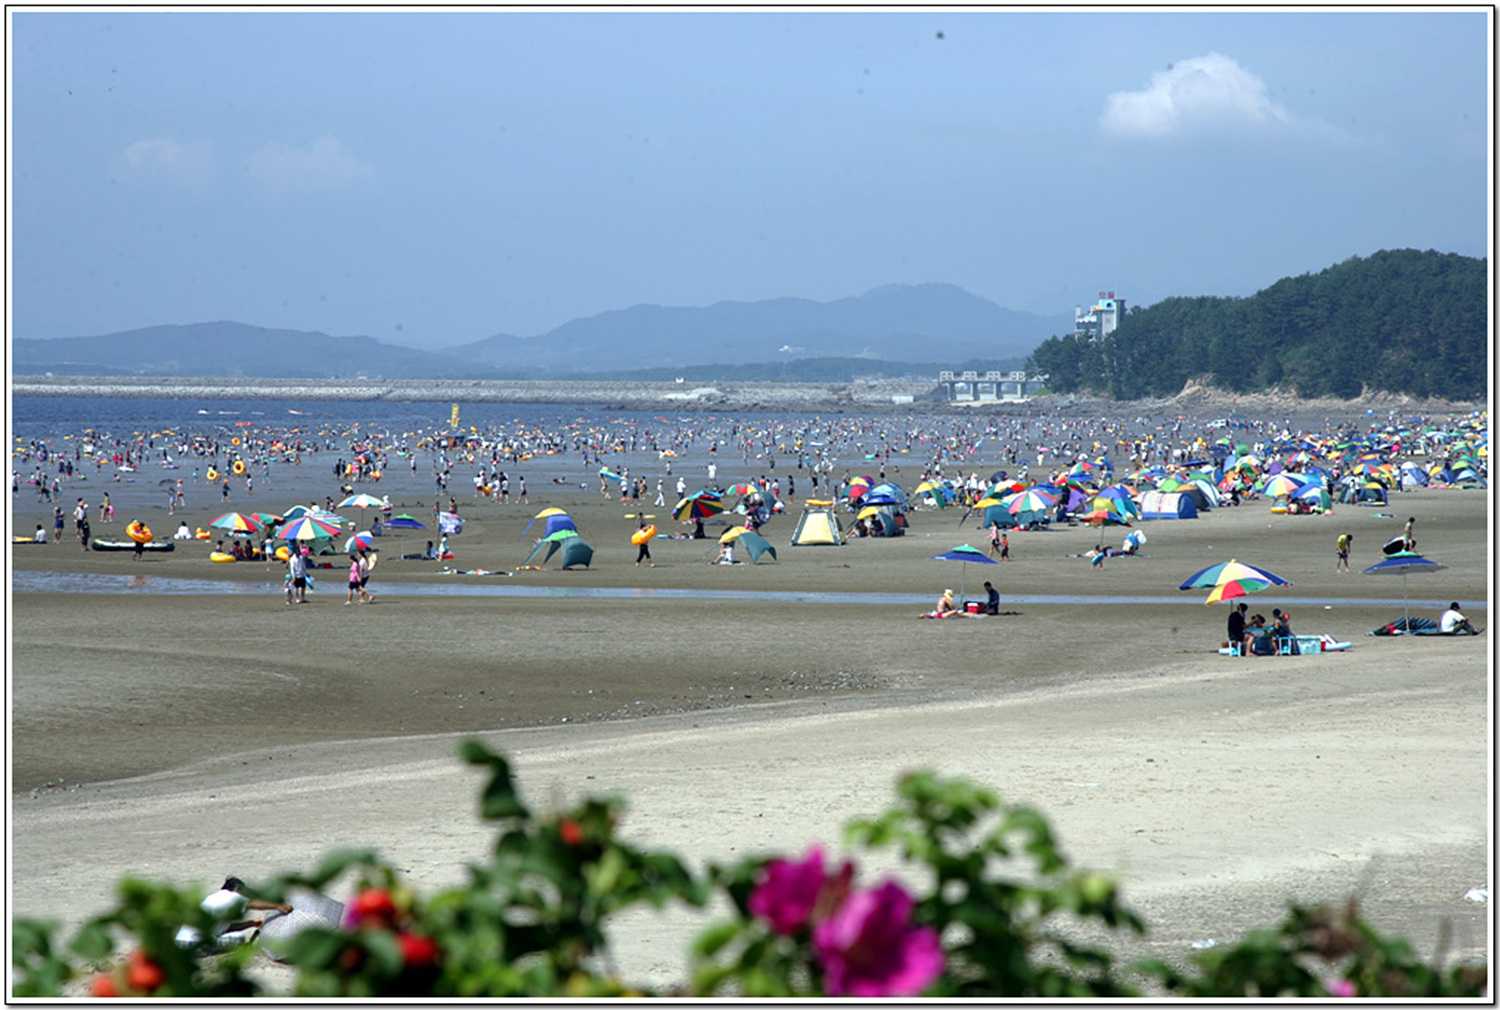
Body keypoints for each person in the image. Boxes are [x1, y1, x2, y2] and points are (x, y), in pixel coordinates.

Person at [174, 876, 292, 953]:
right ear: (237, 889)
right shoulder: (231, 896)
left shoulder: (214, 898)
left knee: (229, 935)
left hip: (180, 943)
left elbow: (225, 928)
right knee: (239, 938)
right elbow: (251, 903)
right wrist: (278, 906)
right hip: (196, 944)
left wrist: (253, 923)